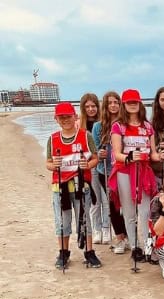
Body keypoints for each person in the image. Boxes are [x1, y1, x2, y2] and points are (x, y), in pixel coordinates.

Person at [108, 88, 164, 262]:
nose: (133, 105)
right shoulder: (118, 126)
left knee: (146, 210)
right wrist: (130, 157)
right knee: (129, 211)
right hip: (125, 172)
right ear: (124, 105)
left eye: (135, 102)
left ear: (139, 104)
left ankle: (148, 245)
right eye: (129, 102)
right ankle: (135, 246)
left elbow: (153, 153)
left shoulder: (148, 127)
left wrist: (160, 156)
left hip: (144, 171)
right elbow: (116, 154)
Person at [46, 102, 102, 268]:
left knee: (85, 220)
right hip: (60, 187)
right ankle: (63, 252)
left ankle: (89, 252)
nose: (65, 120)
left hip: (81, 186)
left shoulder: (86, 136)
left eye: (68, 116)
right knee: (62, 221)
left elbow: (95, 158)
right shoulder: (53, 139)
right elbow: (48, 163)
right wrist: (53, 164)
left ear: (75, 116)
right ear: (56, 119)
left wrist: (88, 165)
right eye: (61, 117)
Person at [91, 91, 129, 254]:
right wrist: (100, 153)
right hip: (105, 170)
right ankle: (120, 237)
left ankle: (130, 236)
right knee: (113, 205)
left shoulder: (125, 124)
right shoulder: (98, 127)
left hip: (124, 170)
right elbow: (94, 150)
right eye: (109, 103)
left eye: (116, 102)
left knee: (128, 205)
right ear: (105, 106)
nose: (113, 105)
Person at [79, 93, 110, 245]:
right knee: (94, 200)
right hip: (89, 165)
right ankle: (96, 229)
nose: (91, 109)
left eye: (93, 106)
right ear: (83, 108)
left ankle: (106, 228)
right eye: (88, 107)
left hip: (102, 165)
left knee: (106, 199)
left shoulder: (102, 124)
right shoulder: (81, 126)